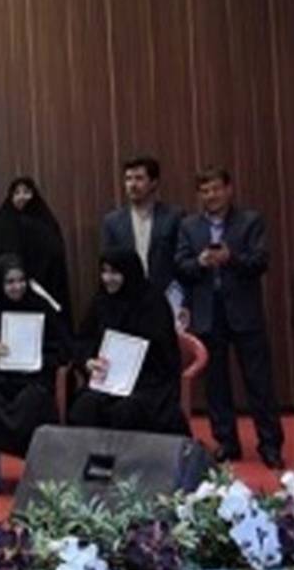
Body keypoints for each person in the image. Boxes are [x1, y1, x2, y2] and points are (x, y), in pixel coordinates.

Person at [175, 166, 283, 468]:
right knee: (216, 384)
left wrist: (230, 258)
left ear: (228, 189)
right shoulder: (189, 226)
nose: (211, 196)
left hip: (244, 312)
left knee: (259, 382)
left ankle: (270, 444)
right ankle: (227, 442)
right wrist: (200, 262)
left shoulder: (250, 221)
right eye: (204, 191)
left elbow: (260, 261)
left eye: (215, 189)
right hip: (208, 313)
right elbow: (181, 265)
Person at [0, 255, 70, 495]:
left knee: (33, 402)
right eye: (10, 282)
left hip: (33, 377)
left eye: (21, 280)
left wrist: (38, 355)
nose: (17, 287)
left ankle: (37, 473)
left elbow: (59, 348)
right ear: (0, 284)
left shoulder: (40, 306)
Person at [69, 249, 188, 436]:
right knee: (85, 406)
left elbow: (164, 353)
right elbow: (83, 340)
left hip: (148, 382)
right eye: (104, 272)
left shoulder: (152, 302)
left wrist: (132, 362)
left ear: (129, 273)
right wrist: (88, 361)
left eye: (114, 273)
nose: (108, 278)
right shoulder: (101, 301)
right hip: (107, 379)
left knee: (127, 411)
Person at [100, 155, 186, 324]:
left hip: (166, 297)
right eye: (128, 179)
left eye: (139, 178)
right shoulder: (112, 221)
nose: (132, 184)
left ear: (153, 183)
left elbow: (181, 260)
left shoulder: (174, 216)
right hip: (128, 300)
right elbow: (108, 263)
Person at [0, 178, 71, 320]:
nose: (22, 197)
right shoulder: (1, 224)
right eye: (17, 193)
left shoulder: (46, 222)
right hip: (8, 298)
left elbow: (56, 256)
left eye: (26, 192)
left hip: (42, 294)